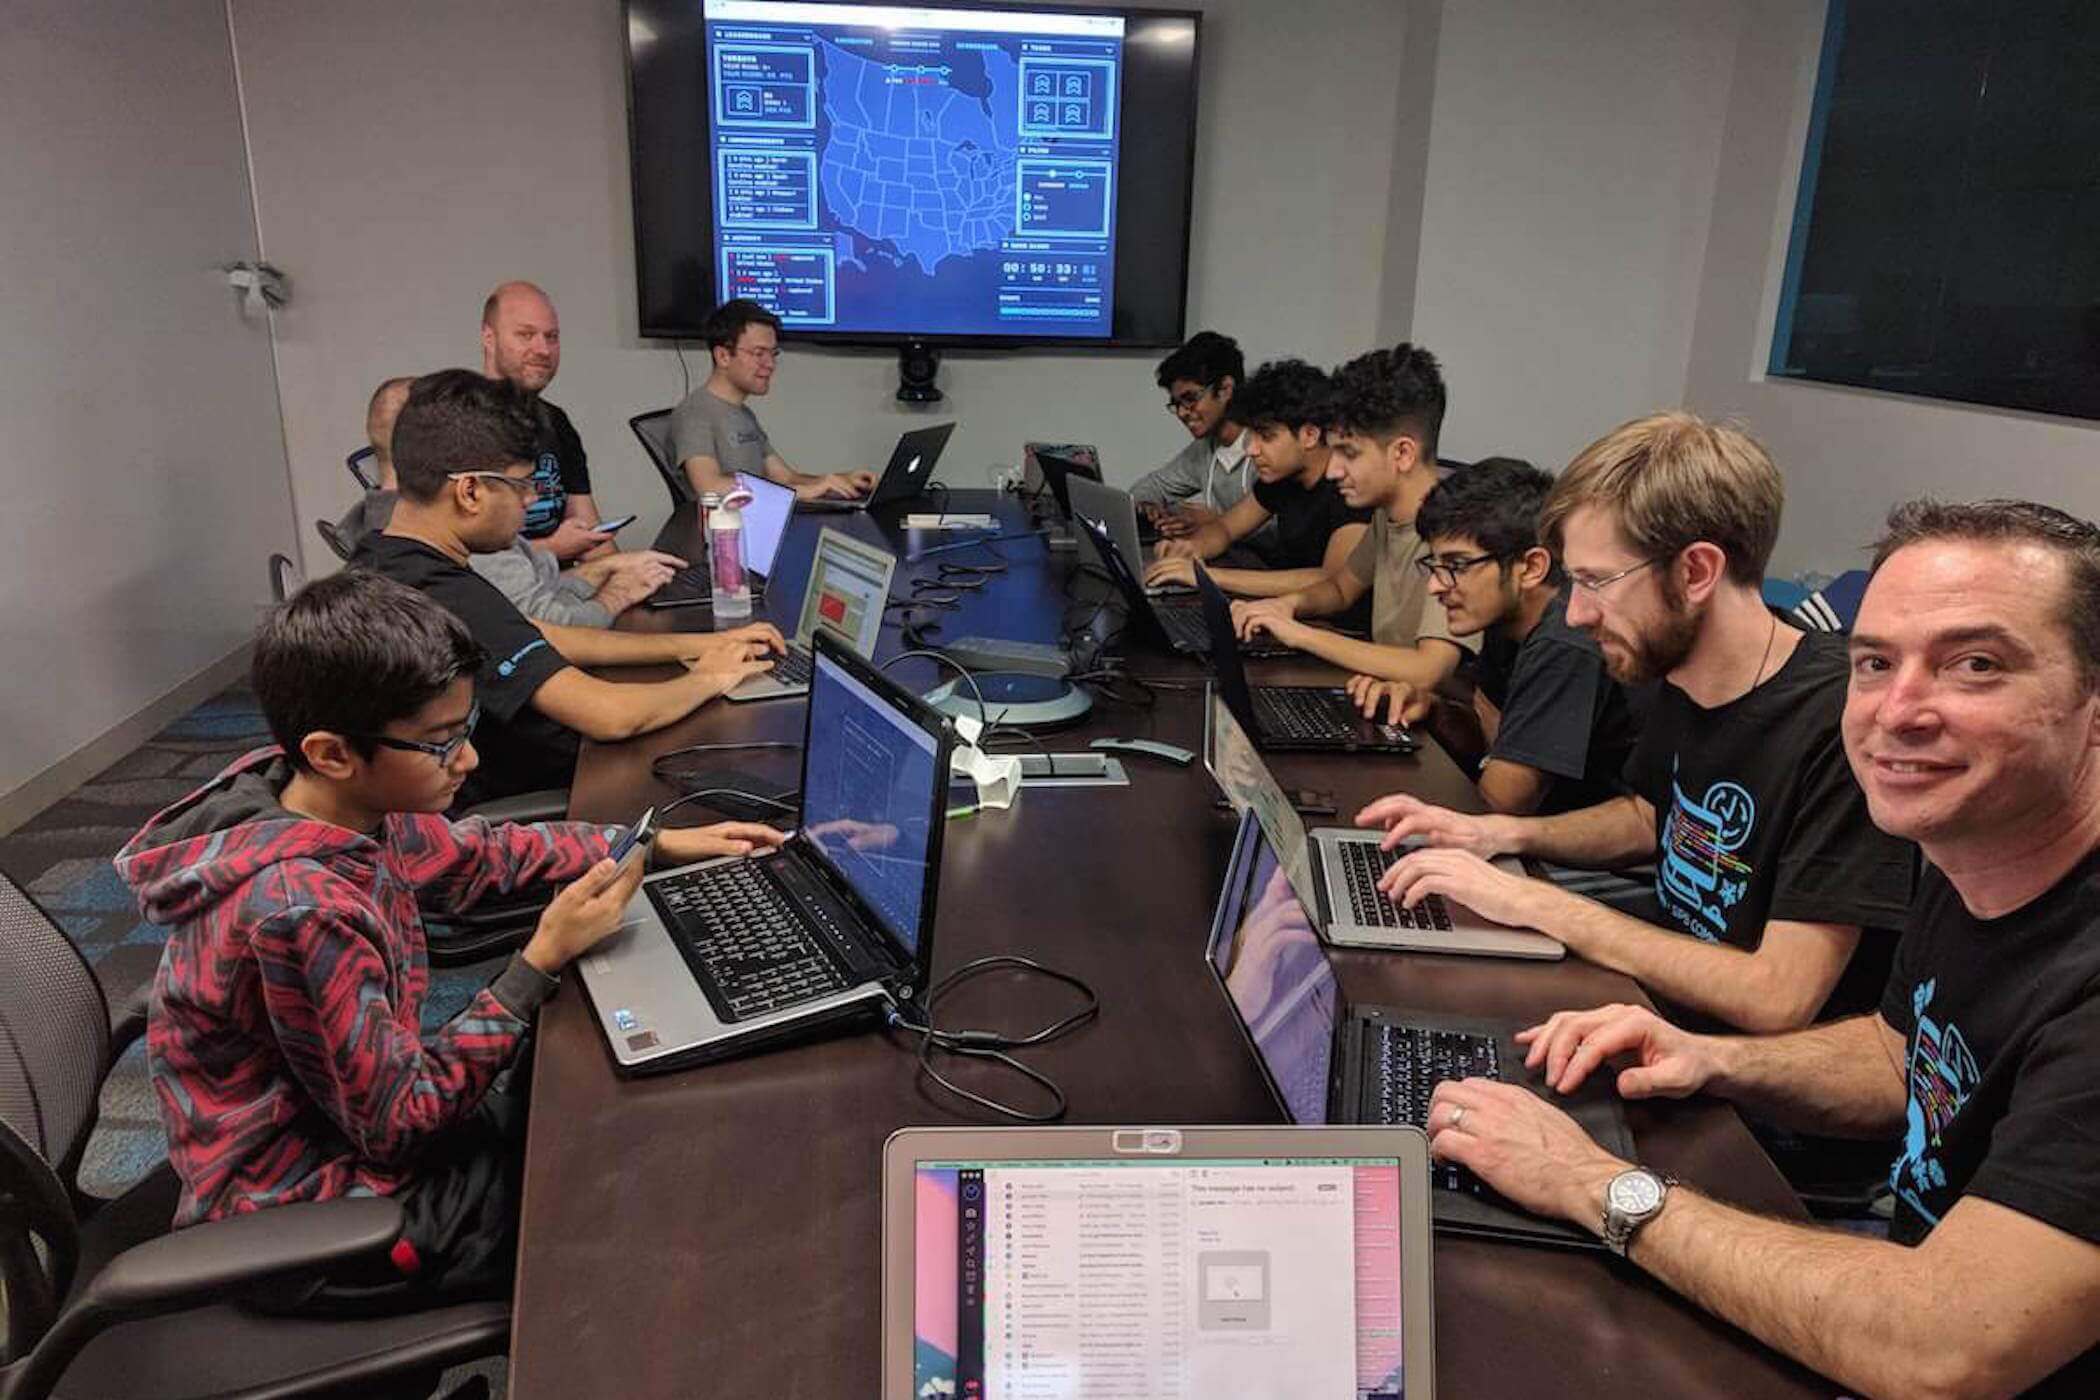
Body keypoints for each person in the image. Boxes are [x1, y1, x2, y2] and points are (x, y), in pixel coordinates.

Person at [1423, 500, 2100, 1398]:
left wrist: (1591, 1183)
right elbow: (1907, 1054)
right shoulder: (1973, 843)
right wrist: (1713, 1060)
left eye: (1975, 666)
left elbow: (1945, 1347)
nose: (1897, 711)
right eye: (1874, 663)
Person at [114, 570, 784, 1307]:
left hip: (345, 1126)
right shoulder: (299, 911)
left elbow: (479, 858)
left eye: (466, 731)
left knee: (593, 1110)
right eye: (440, 744)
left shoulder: (324, 801)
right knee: (619, 1206)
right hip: (311, 1215)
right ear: (334, 752)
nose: (466, 762)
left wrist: (645, 844)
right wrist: (537, 962)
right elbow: (397, 1128)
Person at [1361, 412, 1916, 1033]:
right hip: (1653, 1002)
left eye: (1597, 581)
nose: (1575, 614)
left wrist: (1541, 904)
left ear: (1697, 572)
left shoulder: (1844, 727)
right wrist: (1498, 837)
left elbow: (1776, 995)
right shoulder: (1677, 668)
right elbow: (1650, 816)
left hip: (1740, 1084)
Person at [350, 370, 781, 807]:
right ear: (470, 491)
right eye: (521, 485)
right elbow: (609, 716)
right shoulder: (441, 594)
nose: (531, 500)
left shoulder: (383, 555)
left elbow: (544, 634)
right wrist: (716, 674)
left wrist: (704, 643)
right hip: (544, 789)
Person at [1353, 458, 1644, 815]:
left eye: (1457, 566)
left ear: (1531, 568)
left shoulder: (1565, 642)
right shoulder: (1506, 620)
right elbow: (1486, 731)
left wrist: (1498, 746)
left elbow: (1499, 803)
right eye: (1436, 564)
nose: (1434, 585)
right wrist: (1432, 710)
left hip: (1582, 856)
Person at [1229, 343, 1475, 690]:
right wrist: (1285, 605)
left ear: (1402, 453)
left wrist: (1300, 635)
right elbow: (1340, 588)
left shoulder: (1460, 532)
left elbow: (1427, 669)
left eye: (1349, 453)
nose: (1333, 471)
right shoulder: (1385, 516)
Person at [345, 376, 682, 627]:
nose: (531, 497)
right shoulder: (449, 538)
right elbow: (550, 631)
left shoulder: (377, 533)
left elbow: (536, 591)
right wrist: (617, 593)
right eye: (521, 484)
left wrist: (605, 568)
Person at [1140, 358, 1369, 601]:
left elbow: (1331, 579)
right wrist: (1189, 549)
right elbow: (1225, 528)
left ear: (1310, 435)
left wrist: (1206, 576)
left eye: (1265, 437)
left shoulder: (1350, 487)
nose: (1251, 450)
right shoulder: (1284, 478)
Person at [669, 299, 876, 502]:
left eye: (773, 353)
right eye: (759, 353)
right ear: (723, 356)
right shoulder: (694, 413)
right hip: (725, 533)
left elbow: (785, 477)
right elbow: (709, 487)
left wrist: (835, 480)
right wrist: (799, 493)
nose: (770, 364)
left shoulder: (743, 414)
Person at [480, 280, 609, 562]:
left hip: (566, 587)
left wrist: (631, 571)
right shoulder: (458, 421)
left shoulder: (556, 421)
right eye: (526, 335)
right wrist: (553, 547)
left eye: (551, 337)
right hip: (497, 597)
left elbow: (589, 530)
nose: (543, 350)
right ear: (489, 338)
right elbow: (454, 561)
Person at [1127, 331, 1263, 543]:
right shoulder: (1204, 449)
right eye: (1176, 404)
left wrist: (1215, 522)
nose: (1182, 413)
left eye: (1190, 398)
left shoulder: (1268, 448)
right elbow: (1149, 487)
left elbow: (1285, 534)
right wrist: (1150, 507)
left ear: (1226, 389)